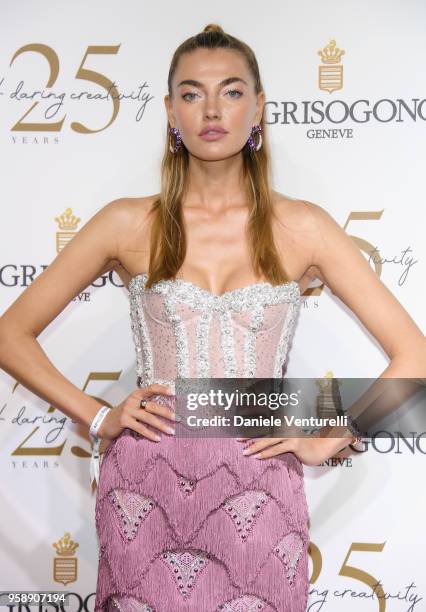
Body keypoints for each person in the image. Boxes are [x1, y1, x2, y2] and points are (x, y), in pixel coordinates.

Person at [0, 23, 425, 612]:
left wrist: (331, 435)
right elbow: (9, 334)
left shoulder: (303, 226)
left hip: (260, 483)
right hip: (142, 486)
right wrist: (99, 416)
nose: (212, 109)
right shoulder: (128, 222)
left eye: (231, 91)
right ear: (171, 111)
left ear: (259, 109)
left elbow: (416, 358)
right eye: (192, 93)